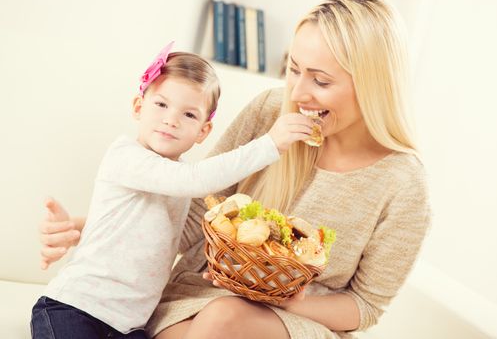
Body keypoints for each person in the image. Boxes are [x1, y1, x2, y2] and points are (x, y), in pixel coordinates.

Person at [39, 0, 431, 339]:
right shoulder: (270, 113)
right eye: (294, 69)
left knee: (225, 319)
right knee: (215, 317)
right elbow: (194, 211)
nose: (297, 93)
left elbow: (364, 308)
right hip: (200, 297)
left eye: (321, 80)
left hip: (296, 321)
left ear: (373, 85)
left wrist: (285, 300)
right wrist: (91, 226)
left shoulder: (402, 183)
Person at [31, 42, 315, 339]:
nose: (171, 119)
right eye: (161, 105)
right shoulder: (126, 157)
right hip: (75, 307)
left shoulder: (176, 177)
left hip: (129, 326)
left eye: (189, 115)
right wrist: (270, 144)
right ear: (138, 108)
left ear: (203, 132)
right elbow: (196, 179)